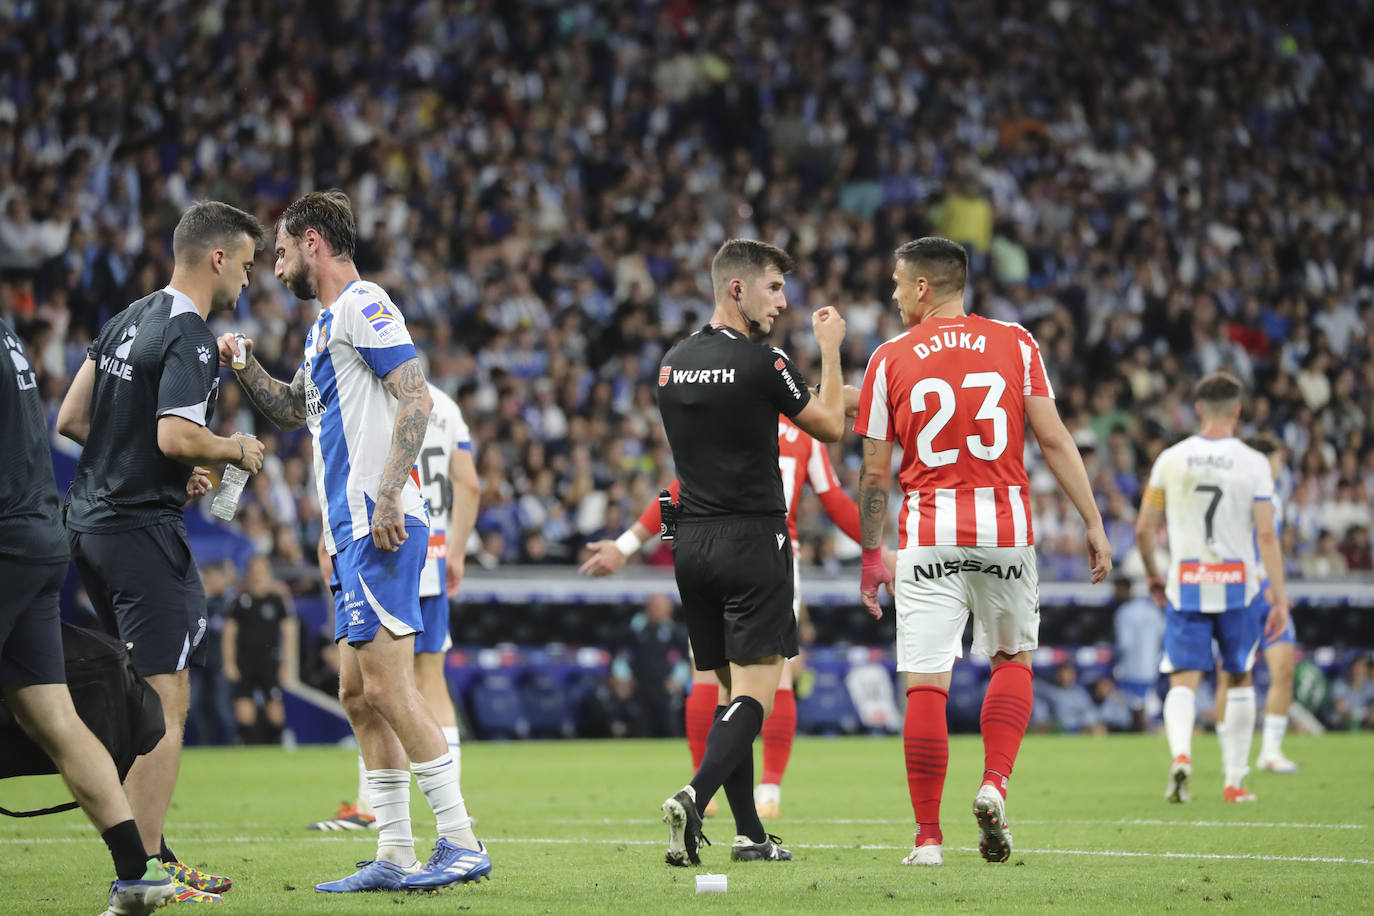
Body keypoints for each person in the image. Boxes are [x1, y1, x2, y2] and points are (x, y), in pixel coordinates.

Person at [219, 189, 488, 890]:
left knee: (393, 689)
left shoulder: (365, 303)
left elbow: (417, 394)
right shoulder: (323, 329)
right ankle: (395, 852)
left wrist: (392, 492)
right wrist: (244, 363)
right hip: (348, 535)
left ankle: (460, 840)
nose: (275, 269)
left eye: (280, 253)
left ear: (312, 242)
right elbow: (286, 409)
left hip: (382, 523)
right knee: (356, 693)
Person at [854, 237, 1111, 867]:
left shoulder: (888, 358)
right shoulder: (1016, 342)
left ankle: (928, 840)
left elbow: (875, 475)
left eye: (896, 282)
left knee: (926, 685)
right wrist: (1093, 520)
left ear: (923, 288)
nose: (892, 293)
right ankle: (994, 784)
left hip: (927, 538)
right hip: (1004, 534)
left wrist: (869, 554)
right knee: (1012, 659)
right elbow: (1052, 438)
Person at [56, 200, 268, 902]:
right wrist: (234, 448)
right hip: (141, 536)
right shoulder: (193, 335)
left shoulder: (129, 316)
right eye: (244, 263)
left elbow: (73, 419)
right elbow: (176, 434)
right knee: (165, 702)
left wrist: (172, 470)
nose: (246, 278)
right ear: (216, 259)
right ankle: (137, 871)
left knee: (139, 700)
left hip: (89, 529)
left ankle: (152, 852)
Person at [582, 409, 890, 819]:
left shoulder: (721, 415)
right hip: (775, 555)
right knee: (774, 673)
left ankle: (701, 787)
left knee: (707, 672)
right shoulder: (805, 429)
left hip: (709, 550)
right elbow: (833, 498)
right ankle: (769, 790)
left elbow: (676, 491)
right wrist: (879, 549)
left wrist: (627, 544)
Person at [654, 238, 848, 867]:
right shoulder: (766, 362)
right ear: (737, 289)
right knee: (759, 692)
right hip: (752, 540)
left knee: (725, 692)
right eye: (773, 287)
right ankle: (693, 794)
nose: (782, 301)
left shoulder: (672, 362)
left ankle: (749, 836)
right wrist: (831, 351)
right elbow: (830, 425)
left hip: (691, 543)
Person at [1, 319, 177, 915]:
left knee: (54, 717)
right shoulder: (7, 333)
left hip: (3, 543)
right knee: (53, 716)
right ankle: (138, 872)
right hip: (38, 536)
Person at [307, 381, 479, 832]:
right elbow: (470, 484)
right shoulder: (448, 405)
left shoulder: (375, 396)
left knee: (374, 684)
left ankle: (376, 808)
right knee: (428, 680)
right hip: (434, 550)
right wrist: (457, 550)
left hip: (385, 540)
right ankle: (453, 800)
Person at [1134, 372, 1290, 804]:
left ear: (1199, 409)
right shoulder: (1253, 462)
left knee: (1183, 677)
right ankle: (1234, 782)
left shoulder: (1171, 458)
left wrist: (1152, 572)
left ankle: (1182, 755)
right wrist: (1278, 593)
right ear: (1238, 410)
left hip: (1187, 581)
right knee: (1238, 676)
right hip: (1238, 585)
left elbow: (1145, 529)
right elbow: (1266, 536)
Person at [1213, 433, 1299, 773]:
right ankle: (1229, 755)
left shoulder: (1274, 497)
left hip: (1269, 592)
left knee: (1284, 668)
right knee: (1233, 675)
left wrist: (1277, 588)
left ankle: (1271, 752)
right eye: (1277, 459)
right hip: (1241, 592)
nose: (1280, 466)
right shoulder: (1236, 492)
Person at [222, 554, 297, 745]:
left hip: (269, 660)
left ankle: (278, 744)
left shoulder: (277, 601)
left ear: (268, 573)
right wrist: (229, 663)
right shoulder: (239, 602)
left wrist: (287, 665)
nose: (258, 576)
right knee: (244, 711)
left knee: (275, 711)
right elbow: (229, 635)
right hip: (245, 662)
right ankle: (247, 748)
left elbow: (289, 634)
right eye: (255, 572)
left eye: (262, 572)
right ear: (249, 574)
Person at [1112, 577, 1166, 731]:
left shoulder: (1124, 612)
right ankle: (1147, 731)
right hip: (1152, 668)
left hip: (1131, 668)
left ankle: (1140, 731)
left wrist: (1115, 659)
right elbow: (1164, 635)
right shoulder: (1152, 610)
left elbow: (1124, 643)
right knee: (1147, 704)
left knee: (1133, 705)